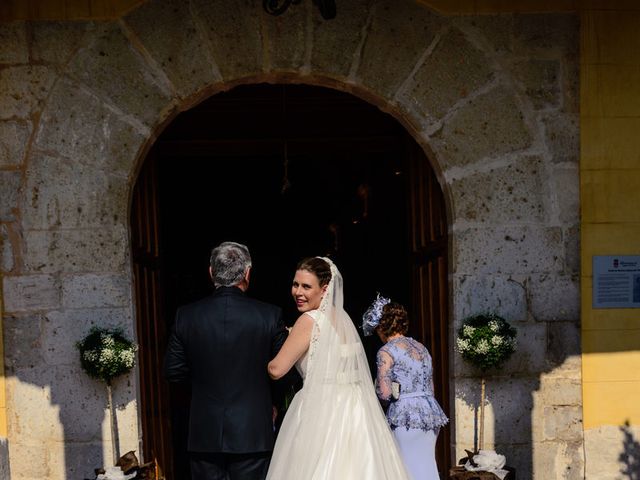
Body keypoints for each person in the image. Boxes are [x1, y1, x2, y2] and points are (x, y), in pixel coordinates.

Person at [266, 257, 410, 480]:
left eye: (306, 286)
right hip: (356, 408)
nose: (298, 292)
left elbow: (277, 369)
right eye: (295, 284)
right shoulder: (343, 319)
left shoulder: (308, 320)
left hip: (321, 406)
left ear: (324, 289)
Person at [164, 241, 287, 480]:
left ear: (211, 273)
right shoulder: (270, 315)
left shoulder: (186, 316)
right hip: (253, 432)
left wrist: (203, 383)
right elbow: (283, 370)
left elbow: (173, 371)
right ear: (248, 273)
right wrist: (270, 403)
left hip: (204, 433)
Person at [363, 295, 449, 480]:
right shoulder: (421, 348)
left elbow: (385, 394)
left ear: (381, 327)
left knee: (405, 468)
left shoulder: (386, 351)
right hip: (430, 415)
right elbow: (431, 387)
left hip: (405, 415)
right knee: (427, 467)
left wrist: (377, 388)